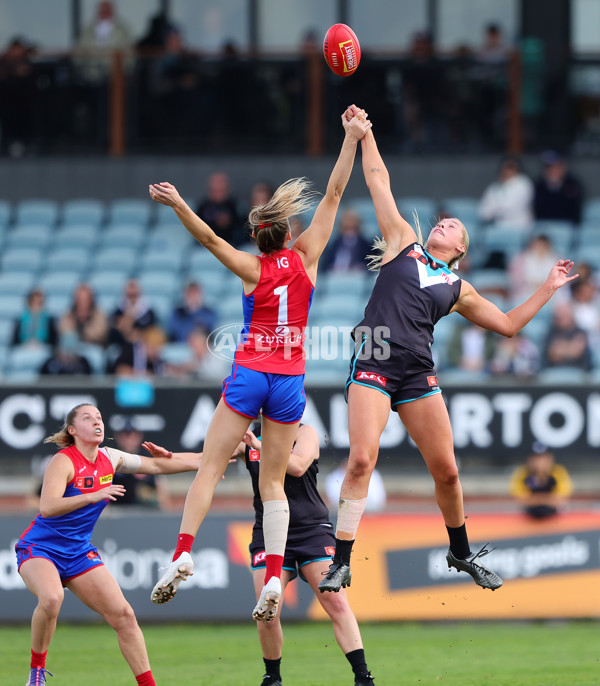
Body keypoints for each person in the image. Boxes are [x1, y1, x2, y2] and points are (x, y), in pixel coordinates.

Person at [319, 105, 578, 596]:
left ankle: (460, 551)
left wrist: (548, 287)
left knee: (448, 472)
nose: (444, 224)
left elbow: (506, 326)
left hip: (417, 372)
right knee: (360, 461)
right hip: (373, 358)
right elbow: (377, 180)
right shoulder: (404, 243)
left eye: (454, 225)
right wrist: (365, 134)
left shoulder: (460, 288)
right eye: (442, 221)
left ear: (461, 249)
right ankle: (342, 559)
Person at [147, 107, 372, 621]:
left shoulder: (250, 268)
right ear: (288, 233)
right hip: (290, 380)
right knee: (274, 484)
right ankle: (274, 575)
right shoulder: (308, 256)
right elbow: (334, 195)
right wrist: (350, 139)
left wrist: (179, 201)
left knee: (209, 465)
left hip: (250, 370)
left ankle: (182, 552)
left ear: (258, 238)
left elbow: (208, 239)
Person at [144, 423, 376, 686]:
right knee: (267, 609)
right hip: (268, 533)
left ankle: (363, 677)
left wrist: (258, 446)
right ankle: (273, 678)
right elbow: (206, 459)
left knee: (335, 603)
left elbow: (298, 465)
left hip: (312, 531)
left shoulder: (304, 433)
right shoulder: (246, 438)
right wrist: (171, 458)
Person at [15, 403, 204, 686]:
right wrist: (92, 496)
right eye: (88, 418)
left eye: (99, 417)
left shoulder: (110, 457)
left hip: (78, 552)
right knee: (53, 597)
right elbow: (48, 506)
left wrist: (211, 460)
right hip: (40, 548)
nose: (97, 422)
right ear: (72, 430)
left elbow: (155, 464)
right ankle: (37, 672)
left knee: (125, 616)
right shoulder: (63, 461)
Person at [111, 418, 170, 509]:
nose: (129, 440)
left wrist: (161, 506)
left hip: (143, 511)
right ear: (119, 438)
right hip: (117, 510)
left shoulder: (147, 458)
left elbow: (160, 484)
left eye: (132, 436)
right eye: (125, 436)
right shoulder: (111, 458)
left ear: (139, 437)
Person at [509, 442, 573, 519]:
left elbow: (562, 498)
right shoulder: (522, 473)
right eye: (536, 458)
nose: (539, 462)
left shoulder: (558, 472)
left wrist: (533, 500)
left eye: (543, 458)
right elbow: (519, 499)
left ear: (550, 458)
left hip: (554, 518)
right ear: (529, 459)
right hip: (528, 517)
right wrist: (548, 499)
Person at [479, 155, 534, 229]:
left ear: (517, 169)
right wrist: (497, 209)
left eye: (510, 167)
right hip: (497, 227)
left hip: (520, 228)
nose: (506, 171)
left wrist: (494, 208)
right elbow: (483, 213)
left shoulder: (523, 183)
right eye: (504, 167)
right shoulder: (494, 187)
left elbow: (510, 207)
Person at [533, 150, 584, 225]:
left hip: (567, 227)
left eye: (556, 167)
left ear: (563, 167)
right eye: (549, 167)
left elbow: (574, 213)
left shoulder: (573, 185)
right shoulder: (539, 186)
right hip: (543, 227)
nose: (552, 170)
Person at [195, 171, 244, 247]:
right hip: (206, 245)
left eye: (220, 189)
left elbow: (241, 229)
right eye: (215, 189)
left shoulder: (234, 206)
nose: (218, 187)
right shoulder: (203, 206)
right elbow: (197, 228)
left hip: (232, 244)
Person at [542, 302, 592, 371]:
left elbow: (578, 352)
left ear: (571, 316)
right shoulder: (551, 332)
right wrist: (571, 348)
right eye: (559, 316)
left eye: (565, 315)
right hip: (555, 369)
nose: (561, 318)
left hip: (578, 369)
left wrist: (560, 348)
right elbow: (552, 354)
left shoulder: (580, 332)